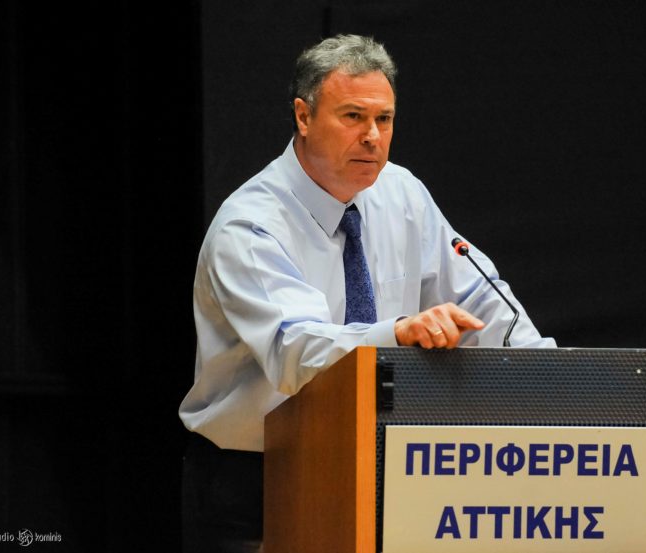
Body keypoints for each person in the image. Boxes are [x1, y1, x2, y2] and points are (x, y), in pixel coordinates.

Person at [179, 34, 556, 553]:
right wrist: (396, 335)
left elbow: (481, 300)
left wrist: (554, 378)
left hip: (388, 464)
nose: (372, 137)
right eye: (353, 117)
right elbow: (298, 352)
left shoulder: (401, 193)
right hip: (257, 480)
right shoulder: (250, 227)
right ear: (303, 116)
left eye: (384, 119)